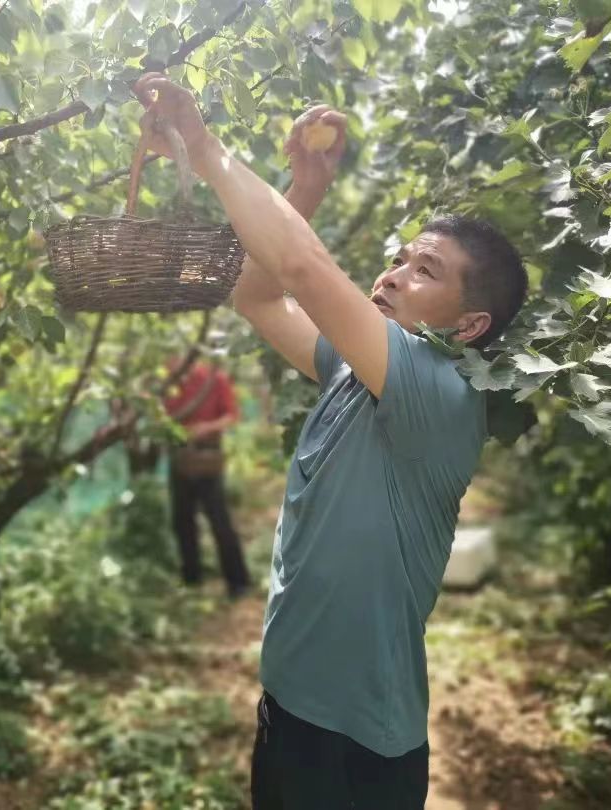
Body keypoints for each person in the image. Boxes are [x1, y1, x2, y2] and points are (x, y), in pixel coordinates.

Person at [132, 74, 528, 809]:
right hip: (290, 705)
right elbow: (256, 295)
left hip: (355, 744)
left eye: (426, 271)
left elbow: (303, 268)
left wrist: (202, 143)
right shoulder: (353, 370)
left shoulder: (438, 393)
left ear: (468, 327)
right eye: (402, 257)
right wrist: (306, 185)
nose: (395, 273)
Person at [162, 355, 251, 599]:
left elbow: (232, 415)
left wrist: (206, 428)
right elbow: (163, 417)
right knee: (182, 520)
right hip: (181, 457)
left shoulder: (214, 379)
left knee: (219, 520)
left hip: (208, 457)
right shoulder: (168, 384)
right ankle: (191, 580)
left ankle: (238, 583)